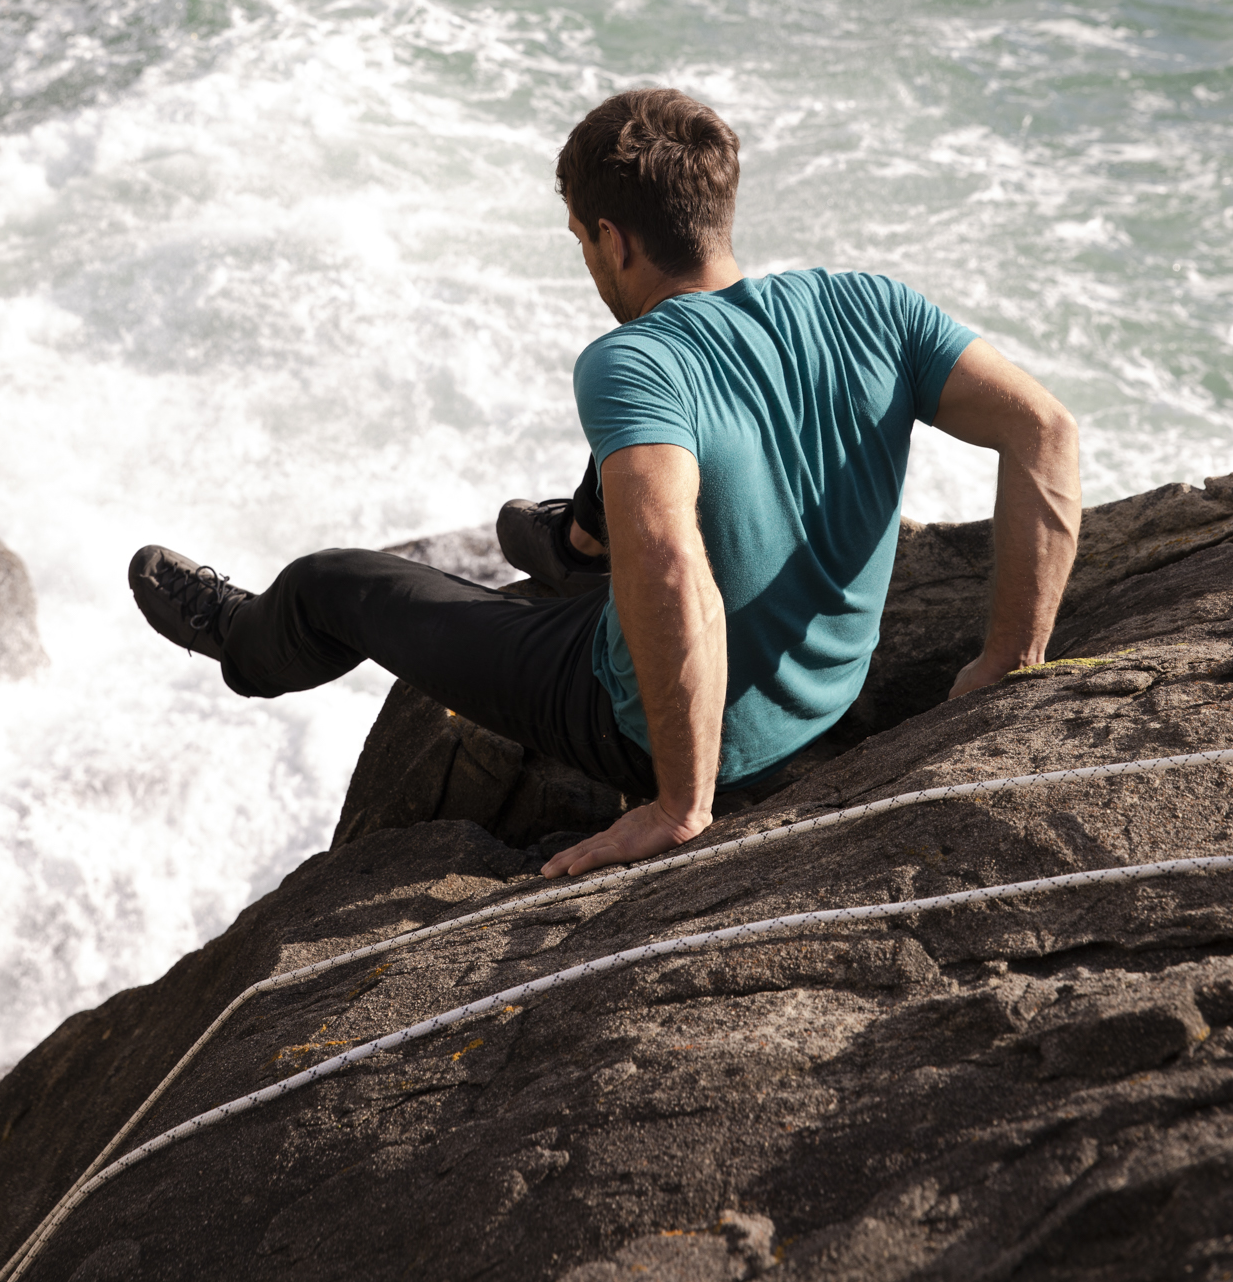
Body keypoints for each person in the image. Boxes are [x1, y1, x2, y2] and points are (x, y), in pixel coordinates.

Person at [129, 88, 1080, 881]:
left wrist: (679, 802)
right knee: (599, 508)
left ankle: (245, 645)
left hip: (642, 722)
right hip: (830, 694)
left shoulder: (635, 362)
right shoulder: (873, 306)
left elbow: (669, 568)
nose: (587, 261)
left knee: (335, 583)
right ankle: (573, 540)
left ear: (612, 241)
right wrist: (1008, 660)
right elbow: (1044, 429)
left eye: (581, 240)